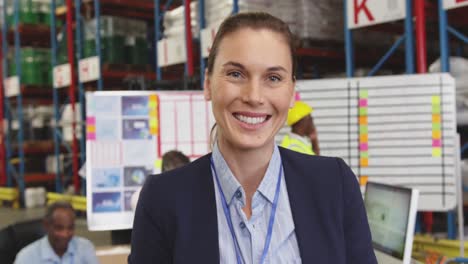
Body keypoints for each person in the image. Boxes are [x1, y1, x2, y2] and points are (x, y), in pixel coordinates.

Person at [129, 12, 376, 263]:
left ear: (291, 92)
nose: (254, 96)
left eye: (273, 78)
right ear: (207, 84)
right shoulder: (162, 199)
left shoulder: (335, 185)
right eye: (236, 74)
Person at [14, 201, 99, 264]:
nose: (65, 234)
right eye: (59, 228)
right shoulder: (26, 258)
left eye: (70, 228)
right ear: (46, 225)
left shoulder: (85, 248)